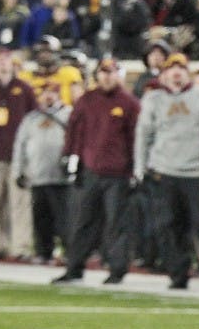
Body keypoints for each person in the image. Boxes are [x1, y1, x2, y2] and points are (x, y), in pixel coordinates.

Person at [134, 52, 199, 291]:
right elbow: (142, 136)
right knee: (167, 226)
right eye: (171, 69)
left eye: (181, 69)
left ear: (187, 73)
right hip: (164, 171)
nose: (176, 74)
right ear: (164, 75)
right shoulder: (153, 99)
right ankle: (178, 273)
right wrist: (139, 168)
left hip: (196, 173)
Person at [55, 57, 141, 285]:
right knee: (83, 222)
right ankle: (74, 267)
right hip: (90, 170)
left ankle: (116, 269)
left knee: (116, 223)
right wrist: (69, 157)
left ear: (118, 75)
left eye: (111, 72)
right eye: (103, 72)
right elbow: (74, 131)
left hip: (118, 173)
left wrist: (135, 170)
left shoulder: (129, 103)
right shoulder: (87, 100)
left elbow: (136, 140)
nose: (106, 76)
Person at [0, 48, 38, 262]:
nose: (3, 64)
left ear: (13, 64)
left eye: (6, 60)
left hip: (19, 158)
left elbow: (34, 121)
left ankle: (20, 246)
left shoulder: (24, 90)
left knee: (20, 203)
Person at [11, 82, 72, 265]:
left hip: (61, 177)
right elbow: (20, 145)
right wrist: (18, 170)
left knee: (63, 219)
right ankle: (43, 251)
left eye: (52, 93)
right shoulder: (31, 118)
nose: (48, 97)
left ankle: (68, 252)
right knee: (40, 218)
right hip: (37, 176)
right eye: (45, 93)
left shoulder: (69, 115)